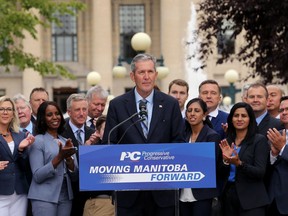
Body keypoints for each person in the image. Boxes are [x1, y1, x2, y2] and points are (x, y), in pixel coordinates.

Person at [102, 53, 185, 216]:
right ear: (133, 76)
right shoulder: (117, 105)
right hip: (128, 192)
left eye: (150, 72)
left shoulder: (170, 104)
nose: (146, 77)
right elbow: (110, 143)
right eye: (141, 72)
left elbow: (179, 142)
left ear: (156, 74)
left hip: (163, 192)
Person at [61, 94, 113, 216]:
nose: (81, 113)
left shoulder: (94, 133)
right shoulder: (61, 133)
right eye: (77, 110)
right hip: (68, 194)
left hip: (90, 196)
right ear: (69, 112)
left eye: (84, 109)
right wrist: (85, 147)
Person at [28, 101, 78, 216]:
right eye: (49, 115)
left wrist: (69, 160)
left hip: (66, 196)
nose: (55, 117)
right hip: (43, 197)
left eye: (57, 113)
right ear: (42, 118)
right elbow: (37, 176)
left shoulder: (66, 141)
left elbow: (75, 176)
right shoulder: (38, 141)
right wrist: (59, 157)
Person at [180, 98, 228, 216]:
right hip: (182, 193)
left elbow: (213, 167)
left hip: (202, 194)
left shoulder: (212, 136)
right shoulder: (182, 136)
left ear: (204, 115)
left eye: (196, 110)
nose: (192, 113)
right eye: (189, 110)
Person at [219, 102, 269, 216]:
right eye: (236, 116)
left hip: (252, 200)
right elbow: (221, 172)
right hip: (229, 197)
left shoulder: (259, 140)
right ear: (231, 119)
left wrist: (239, 164)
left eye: (244, 116)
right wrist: (226, 161)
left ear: (250, 119)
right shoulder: (227, 141)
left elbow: (260, 172)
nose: (239, 119)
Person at [0, 96, 35, 216]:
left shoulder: (20, 135)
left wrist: (21, 150)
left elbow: (25, 165)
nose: (5, 112)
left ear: (13, 113)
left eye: (9, 109)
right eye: (2, 109)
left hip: (20, 191)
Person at [266, 95, 288, 215]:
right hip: (273, 200)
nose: (284, 113)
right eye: (282, 110)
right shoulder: (276, 135)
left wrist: (283, 148)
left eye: (287, 109)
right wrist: (273, 155)